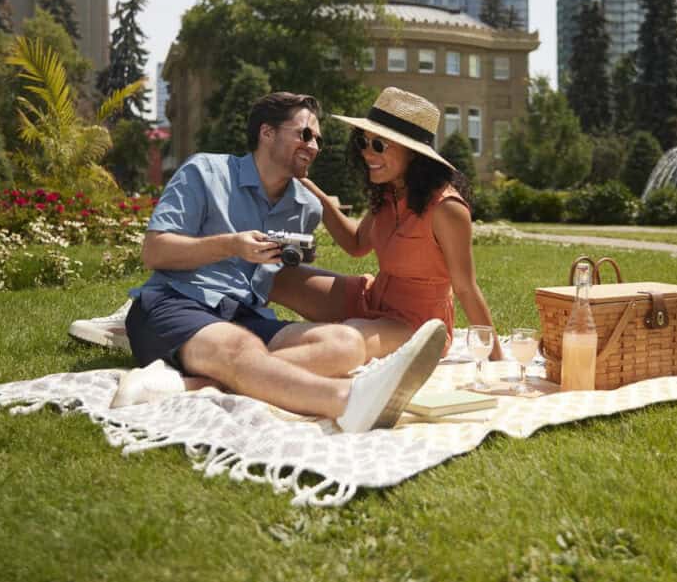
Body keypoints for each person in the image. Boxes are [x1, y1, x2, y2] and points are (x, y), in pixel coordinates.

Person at [112, 91, 446, 433]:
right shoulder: (206, 172)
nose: (314, 146)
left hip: (244, 316)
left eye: (318, 138)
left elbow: (289, 271)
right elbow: (154, 251)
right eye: (304, 134)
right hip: (176, 303)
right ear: (266, 132)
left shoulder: (305, 208)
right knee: (240, 347)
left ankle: (187, 386)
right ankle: (347, 400)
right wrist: (231, 245)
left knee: (345, 343)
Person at [272, 86, 503, 361]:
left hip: (419, 325)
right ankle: (227, 326)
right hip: (371, 298)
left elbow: (466, 288)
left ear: (413, 153)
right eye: (363, 142)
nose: (368, 154)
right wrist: (303, 184)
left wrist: (497, 360)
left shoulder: (446, 209)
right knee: (275, 276)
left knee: (345, 338)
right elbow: (356, 244)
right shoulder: (388, 192)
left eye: (379, 145)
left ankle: (255, 365)